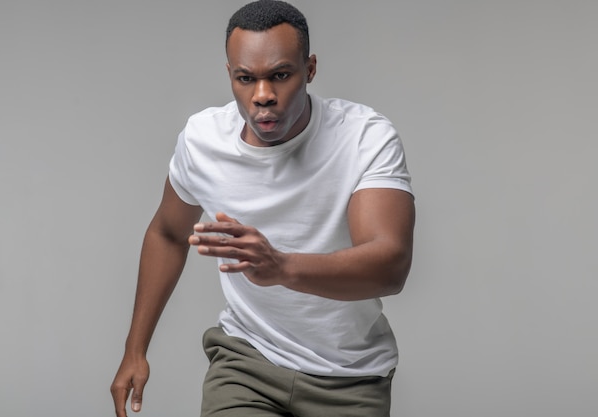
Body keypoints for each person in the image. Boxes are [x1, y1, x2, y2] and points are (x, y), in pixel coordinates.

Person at [110, 1, 415, 416]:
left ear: (309, 70)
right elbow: (167, 233)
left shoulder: (363, 137)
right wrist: (135, 350)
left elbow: (390, 265)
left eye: (280, 75)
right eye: (246, 79)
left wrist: (281, 267)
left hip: (349, 375)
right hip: (246, 362)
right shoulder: (203, 140)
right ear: (230, 76)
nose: (263, 95)